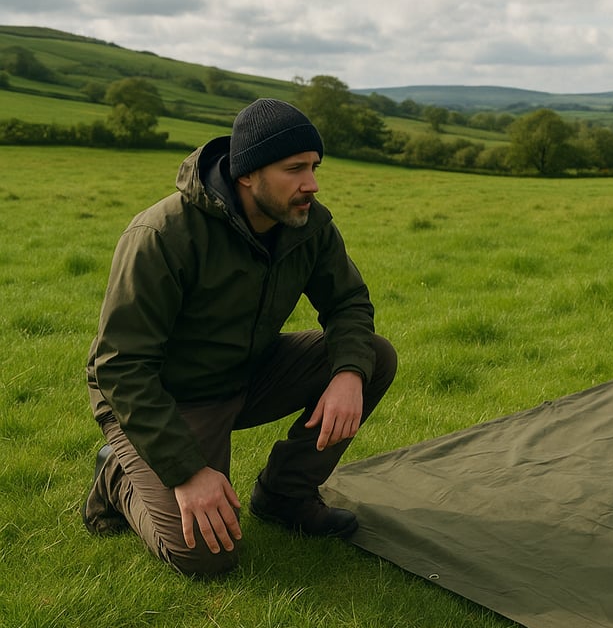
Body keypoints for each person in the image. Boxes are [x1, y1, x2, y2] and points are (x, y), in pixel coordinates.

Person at [83, 98, 397, 578]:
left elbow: (348, 303)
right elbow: (121, 366)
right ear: (247, 174)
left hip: (248, 374)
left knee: (373, 356)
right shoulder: (163, 234)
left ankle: (284, 496)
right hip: (165, 398)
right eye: (294, 169)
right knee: (208, 557)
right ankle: (121, 476)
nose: (310, 183)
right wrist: (187, 472)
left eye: (314, 167)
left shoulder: (309, 224)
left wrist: (349, 374)